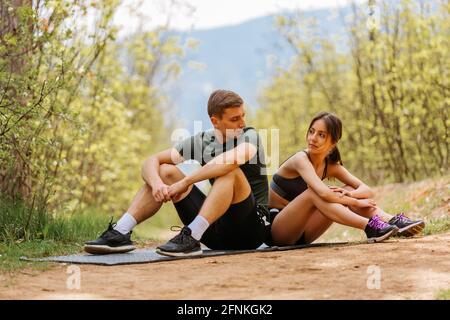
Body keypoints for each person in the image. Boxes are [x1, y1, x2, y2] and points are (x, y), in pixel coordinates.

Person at [84, 90, 269, 256]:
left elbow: (229, 162)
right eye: (235, 119)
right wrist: (157, 184)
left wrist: (185, 182)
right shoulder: (201, 142)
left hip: (250, 231)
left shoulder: (249, 136)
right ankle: (120, 232)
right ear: (215, 121)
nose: (242, 123)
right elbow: (151, 161)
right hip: (215, 233)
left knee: (230, 172)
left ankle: (191, 235)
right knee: (165, 171)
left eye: (243, 116)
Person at [268, 111, 425, 246]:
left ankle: (390, 221)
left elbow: (367, 190)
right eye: (311, 131)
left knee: (348, 189)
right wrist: (354, 202)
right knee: (313, 193)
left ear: (333, 143)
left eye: (321, 135)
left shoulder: (330, 166)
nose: (313, 138)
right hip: (280, 232)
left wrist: (350, 195)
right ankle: (370, 227)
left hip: (305, 233)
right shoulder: (300, 159)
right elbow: (323, 193)